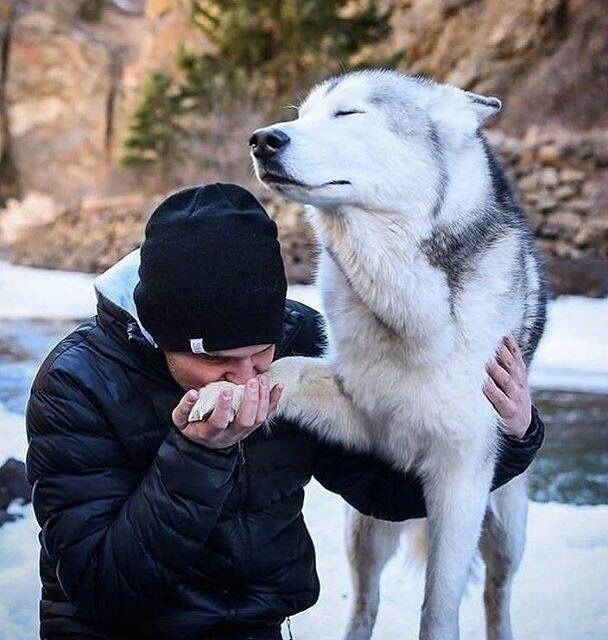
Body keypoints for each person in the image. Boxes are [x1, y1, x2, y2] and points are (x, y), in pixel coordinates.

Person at [26, 183, 544, 640]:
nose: (249, 378)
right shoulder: (76, 384)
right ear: (162, 335)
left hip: (256, 627)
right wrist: (198, 456)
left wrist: (510, 437)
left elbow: (382, 489)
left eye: (260, 353)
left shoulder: (301, 340)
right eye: (219, 360)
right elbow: (102, 591)